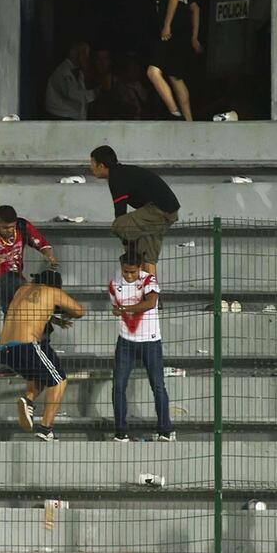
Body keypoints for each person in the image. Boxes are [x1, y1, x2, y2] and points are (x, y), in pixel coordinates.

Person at [0, 271, 85, 442]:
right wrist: (63, 312)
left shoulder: (22, 289)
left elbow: (30, 310)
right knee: (59, 381)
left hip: (4, 349)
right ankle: (46, 428)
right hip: (27, 344)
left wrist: (53, 318)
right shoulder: (53, 292)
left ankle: (28, 401)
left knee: (40, 376)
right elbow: (79, 311)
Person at [109, 251, 175, 442]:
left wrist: (124, 309)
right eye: (125, 272)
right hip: (126, 342)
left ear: (140, 268)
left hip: (150, 341)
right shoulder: (115, 284)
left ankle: (164, 430)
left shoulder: (149, 280)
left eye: (132, 272)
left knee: (158, 386)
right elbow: (116, 307)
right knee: (118, 386)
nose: (128, 276)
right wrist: (119, 311)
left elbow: (150, 303)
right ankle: (121, 432)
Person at [89, 145, 180, 277]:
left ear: (101, 165)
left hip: (158, 210)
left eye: (92, 163)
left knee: (118, 225)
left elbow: (120, 214)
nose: (90, 167)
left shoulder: (116, 176)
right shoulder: (122, 172)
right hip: (167, 210)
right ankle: (151, 292)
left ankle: (131, 258)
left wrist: (127, 243)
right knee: (147, 256)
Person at [147, 0, 201, 121]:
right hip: (184, 35)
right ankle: (189, 121)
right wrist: (194, 37)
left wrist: (167, 25)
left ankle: (174, 111)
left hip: (171, 33)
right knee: (176, 77)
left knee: (153, 72)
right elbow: (195, 8)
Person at [0, 205, 58, 315]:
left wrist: (49, 256)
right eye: (5, 228)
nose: (9, 231)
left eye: (12, 227)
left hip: (16, 276)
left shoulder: (22, 227)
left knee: (13, 310)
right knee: (23, 293)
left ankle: (38, 328)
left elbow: (42, 244)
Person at [44, 40, 95, 120]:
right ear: (73, 52)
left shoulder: (79, 72)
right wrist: (94, 94)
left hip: (74, 118)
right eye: (83, 52)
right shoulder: (62, 71)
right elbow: (74, 94)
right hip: (62, 118)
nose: (86, 57)